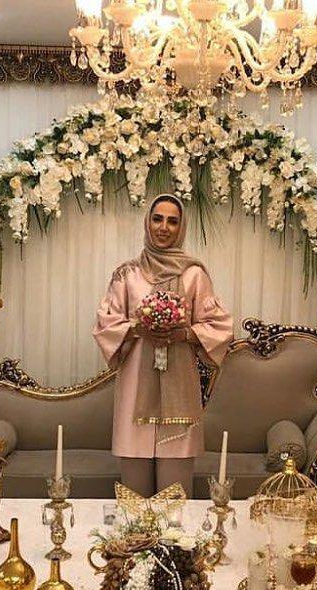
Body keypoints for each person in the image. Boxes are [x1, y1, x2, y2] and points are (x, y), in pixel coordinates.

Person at [93, 193, 233, 498]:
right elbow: (106, 323)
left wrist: (185, 334)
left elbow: (219, 326)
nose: (164, 227)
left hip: (180, 392)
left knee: (175, 501)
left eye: (173, 221)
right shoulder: (127, 274)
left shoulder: (194, 275)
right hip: (135, 393)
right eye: (157, 219)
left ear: (181, 227)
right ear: (147, 222)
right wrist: (137, 328)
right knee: (134, 502)